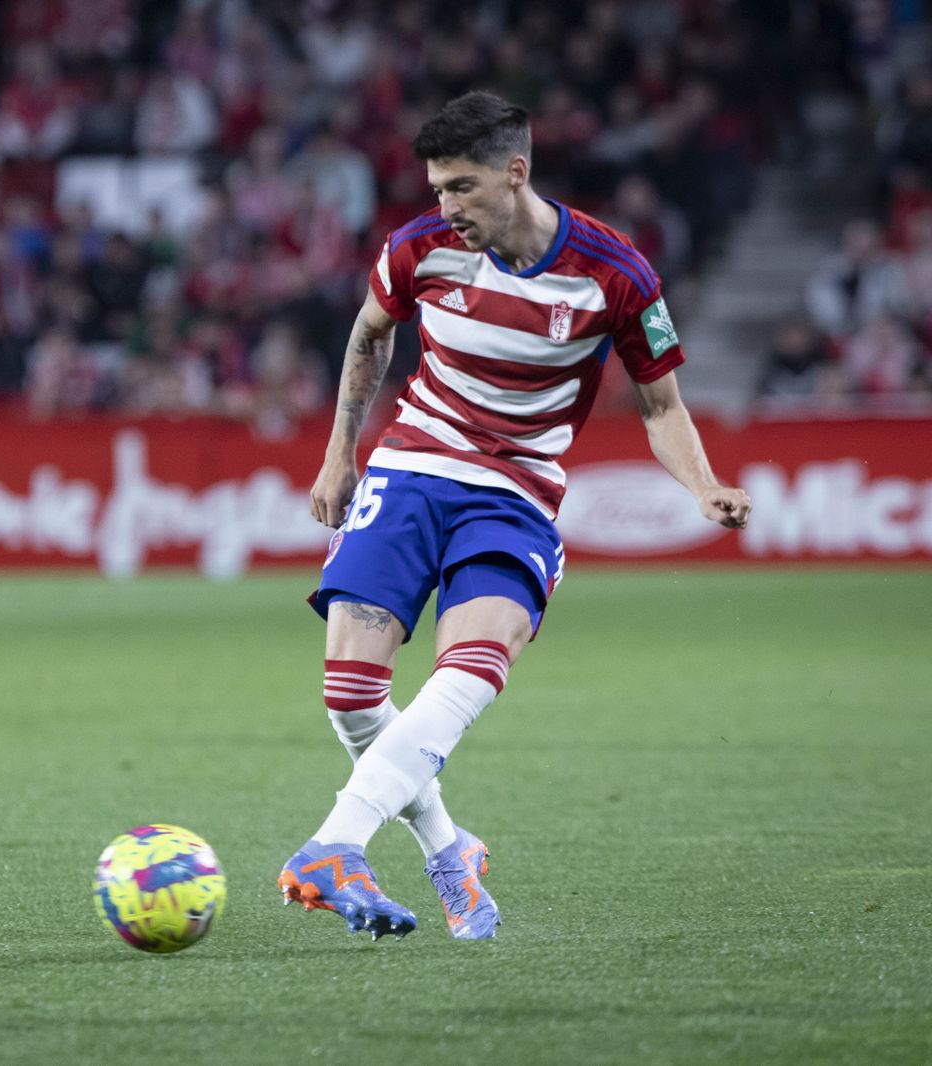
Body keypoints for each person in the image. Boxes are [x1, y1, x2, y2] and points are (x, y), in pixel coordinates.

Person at [278, 92, 751, 941]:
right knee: (351, 693)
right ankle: (449, 852)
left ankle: (334, 845)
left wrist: (703, 483)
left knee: (469, 670)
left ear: (515, 172)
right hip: (415, 465)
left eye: (461, 187)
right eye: (436, 189)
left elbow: (661, 405)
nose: (444, 207)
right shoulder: (418, 249)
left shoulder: (616, 272)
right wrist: (337, 452)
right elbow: (369, 335)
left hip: (517, 491)